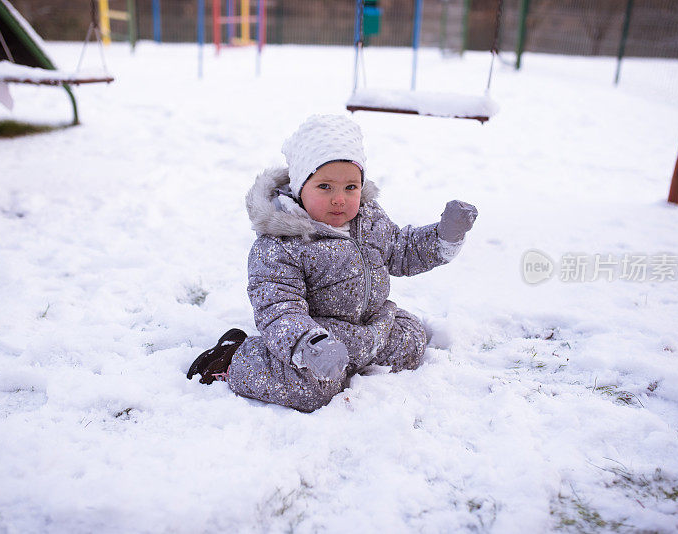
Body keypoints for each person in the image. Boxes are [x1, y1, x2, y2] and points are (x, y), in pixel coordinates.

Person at [187, 114, 477, 412]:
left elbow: (402, 250)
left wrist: (445, 234)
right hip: (317, 336)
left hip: (369, 328)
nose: (340, 199)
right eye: (325, 187)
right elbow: (277, 307)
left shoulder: (368, 219)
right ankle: (235, 359)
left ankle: (351, 362)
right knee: (310, 390)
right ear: (300, 187)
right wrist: (309, 344)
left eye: (350, 187)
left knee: (412, 342)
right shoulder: (280, 243)